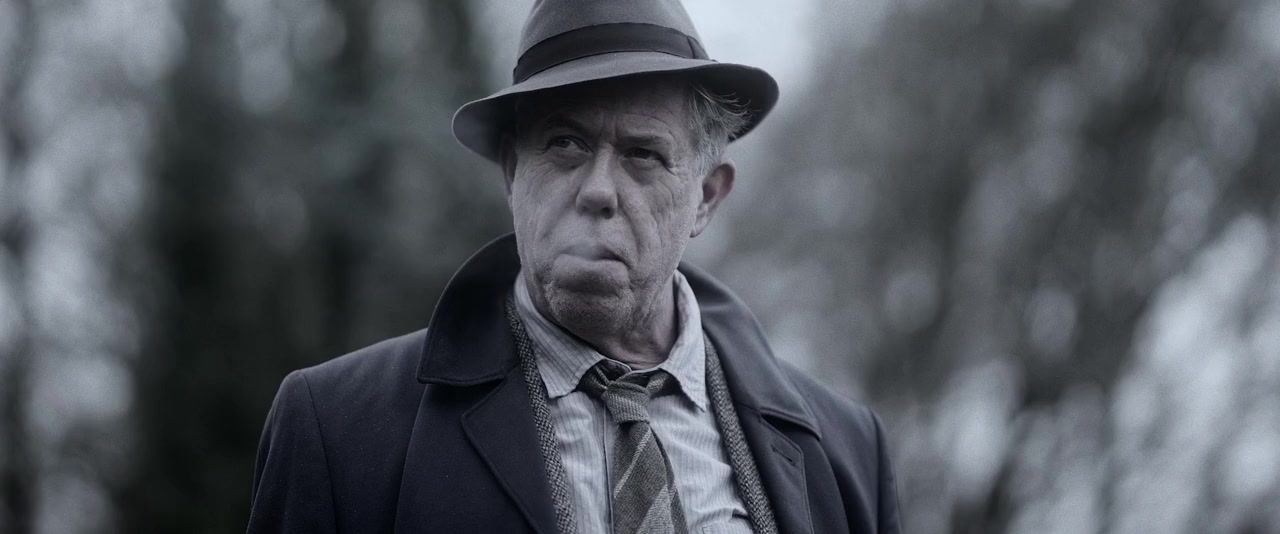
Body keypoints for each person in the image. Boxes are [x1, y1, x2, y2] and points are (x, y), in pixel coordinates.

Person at [247, 0, 902, 532]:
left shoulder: (846, 451)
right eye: (565, 143)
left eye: (643, 154)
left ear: (705, 197)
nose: (597, 190)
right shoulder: (338, 430)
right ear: (512, 172)